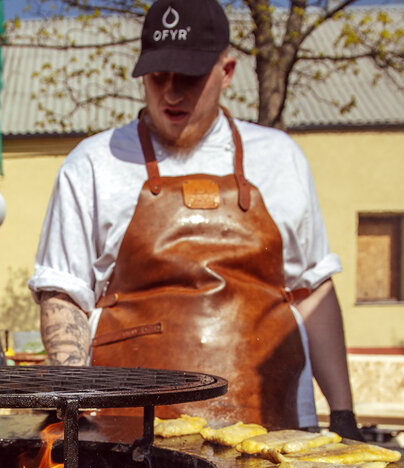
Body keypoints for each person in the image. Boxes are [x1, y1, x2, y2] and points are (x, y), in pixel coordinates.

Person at [27, 0, 362, 438]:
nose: (170, 93)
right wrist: (75, 407)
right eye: (157, 77)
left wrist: (343, 414)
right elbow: (63, 294)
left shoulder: (280, 158)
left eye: (188, 77)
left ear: (226, 71)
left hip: (272, 430)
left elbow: (313, 291)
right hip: (126, 436)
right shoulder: (92, 163)